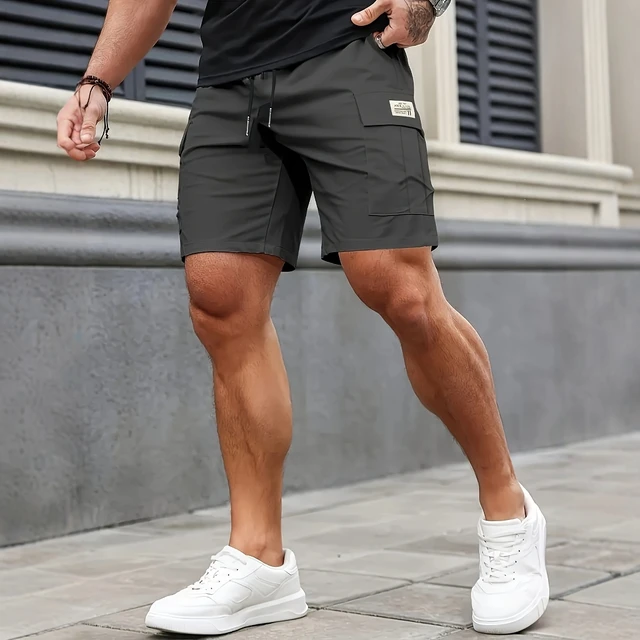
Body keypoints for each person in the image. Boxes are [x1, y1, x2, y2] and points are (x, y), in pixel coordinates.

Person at [56, 0, 549, 635]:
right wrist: (98, 81)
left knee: (399, 287)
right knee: (220, 299)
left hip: (347, 47)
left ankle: (509, 512)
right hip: (230, 77)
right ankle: (258, 557)